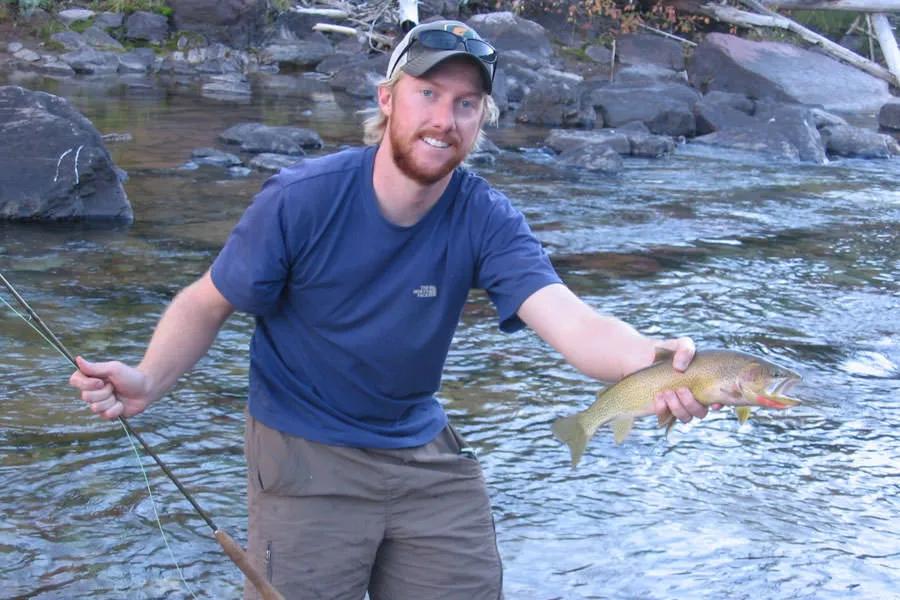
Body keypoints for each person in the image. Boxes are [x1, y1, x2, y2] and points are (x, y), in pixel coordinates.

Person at [69, 19, 710, 600]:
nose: (444, 118)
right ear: (386, 99)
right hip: (304, 449)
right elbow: (205, 303)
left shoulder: (485, 216)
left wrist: (655, 362)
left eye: (465, 104)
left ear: (480, 120)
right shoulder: (302, 201)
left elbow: (573, 322)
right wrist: (149, 379)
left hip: (421, 446)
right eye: (427, 94)